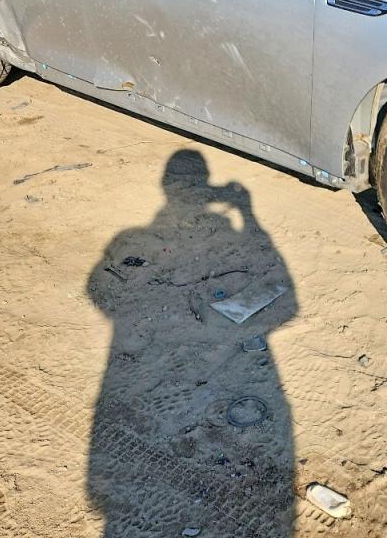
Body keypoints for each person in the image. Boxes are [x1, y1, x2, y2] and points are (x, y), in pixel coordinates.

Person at [86, 149, 296, 537]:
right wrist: (246, 212)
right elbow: (288, 302)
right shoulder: (156, 237)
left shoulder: (139, 237)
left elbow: (98, 292)